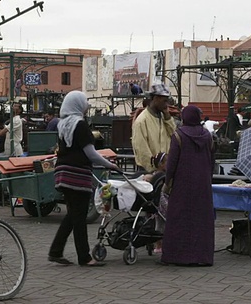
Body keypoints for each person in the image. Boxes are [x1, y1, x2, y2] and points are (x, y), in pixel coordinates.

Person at [48, 91, 120, 267]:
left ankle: (56, 251)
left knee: (73, 215)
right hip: (77, 175)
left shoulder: (63, 124)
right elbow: (90, 153)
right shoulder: (79, 125)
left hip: (63, 173)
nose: (87, 105)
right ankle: (84, 257)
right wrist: (109, 164)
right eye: (85, 102)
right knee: (79, 217)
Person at [160, 105, 215, 266]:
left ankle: (178, 256)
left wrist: (167, 182)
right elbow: (212, 161)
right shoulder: (208, 136)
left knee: (179, 219)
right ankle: (202, 256)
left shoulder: (178, 135)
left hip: (182, 185)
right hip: (203, 185)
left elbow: (172, 163)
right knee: (201, 220)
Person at [131, 84, 176, 172]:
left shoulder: (164, 118)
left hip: (164, 169)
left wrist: (168, 118)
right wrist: (153, 168)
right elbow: (141, 150)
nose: (166, 105)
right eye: (164, 101)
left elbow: (174, 135)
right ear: (155, 99)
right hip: (149, 171)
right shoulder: (141, 121)